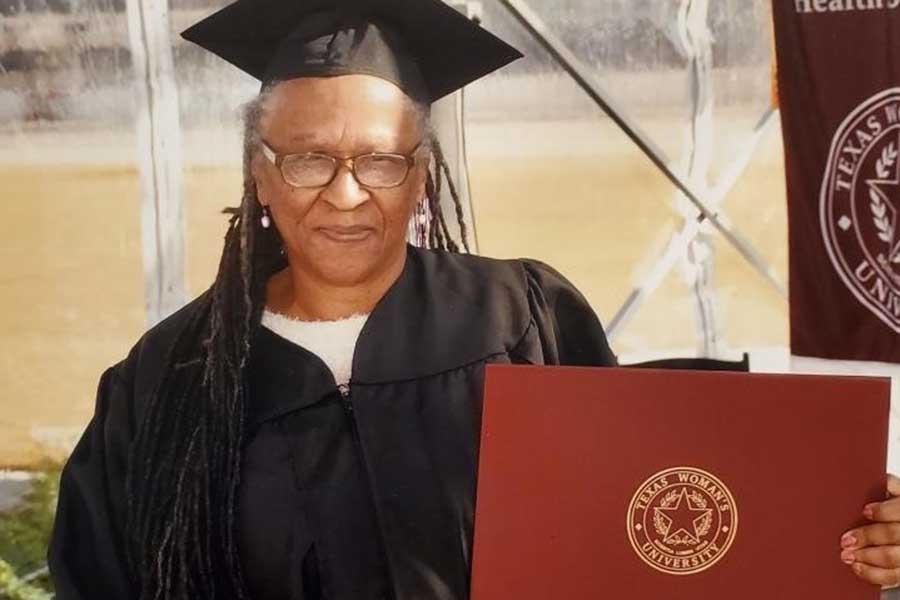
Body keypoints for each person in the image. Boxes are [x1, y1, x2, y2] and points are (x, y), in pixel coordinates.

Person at [46, 0, 900, 598]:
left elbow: (648, 524)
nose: (346, 195)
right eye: (308, 159)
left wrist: (851, 535)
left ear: (422, 174)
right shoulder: (168, 379)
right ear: (260, 174)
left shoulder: (519, 316)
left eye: (381, 160)